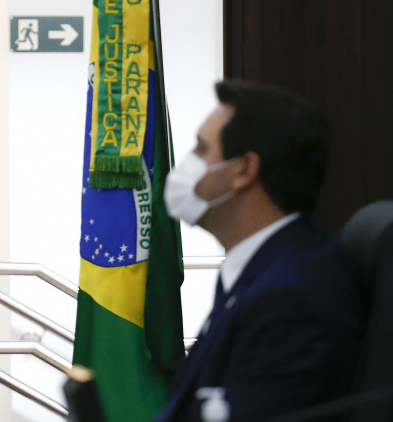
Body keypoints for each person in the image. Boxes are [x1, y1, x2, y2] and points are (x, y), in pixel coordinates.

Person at [155, 80, 365, 421]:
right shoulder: (263, 270)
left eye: (201, 148)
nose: (188, 162)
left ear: (243, 170)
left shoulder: (291, 297)